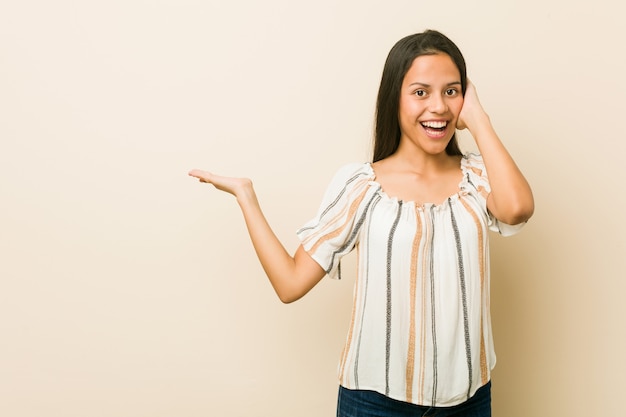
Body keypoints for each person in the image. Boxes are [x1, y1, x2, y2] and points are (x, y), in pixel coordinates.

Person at [189, 29, 534, 417]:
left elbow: (517, 209)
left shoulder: (478, 175)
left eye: (451, 92)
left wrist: (480, 120)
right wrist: (246, 197)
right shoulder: (361, 185)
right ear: (395, 99)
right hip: (374, 403)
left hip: (468, 401)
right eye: (420, 92)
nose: (438, 106)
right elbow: (289, 284)